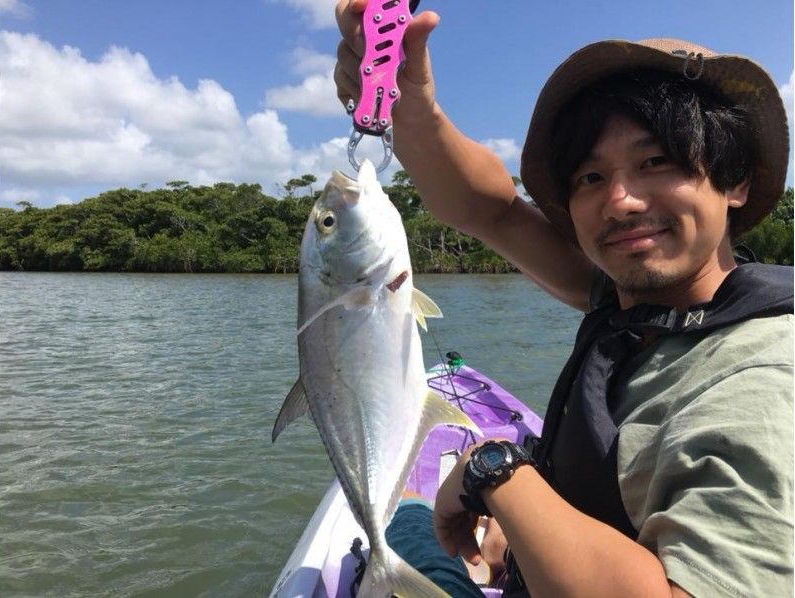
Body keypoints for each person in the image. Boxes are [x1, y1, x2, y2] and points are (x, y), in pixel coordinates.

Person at [335, 2, 793, 596]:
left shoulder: (762, 375)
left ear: (735, 182)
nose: (621, 200)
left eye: (656, 162)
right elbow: (491, 211)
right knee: (402, 524)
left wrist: (495, 471)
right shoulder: (629, 303)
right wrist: (407, 103)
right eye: (590, 178)